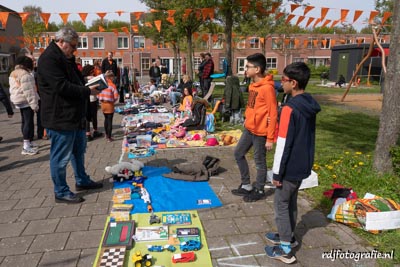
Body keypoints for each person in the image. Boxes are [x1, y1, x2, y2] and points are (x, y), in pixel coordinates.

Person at [37, 27, 103, 204]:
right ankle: (60, 191)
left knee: (78, 151)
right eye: (73, 46)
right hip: (60, 117)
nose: (75, 50)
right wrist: (86, 90)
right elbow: (61, 87)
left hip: (74, 115)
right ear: (61, 42)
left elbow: (76, 80)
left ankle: (82, 180)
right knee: (60, 157)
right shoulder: (49, 59)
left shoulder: (66, 57)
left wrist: (89, 82)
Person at [265, 62, 321, 264]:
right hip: (302, 164)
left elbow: (283, 144)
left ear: (294, 83)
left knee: (281, 204)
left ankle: (286, 249)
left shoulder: (290, 109)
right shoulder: (307, 103)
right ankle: (288, 235)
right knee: (291, 202)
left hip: (289, 167)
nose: (282, 83)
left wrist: (277, 174)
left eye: (284, 80)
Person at [231, 53, 277, 202]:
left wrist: (270, 138)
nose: (245, 70)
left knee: (259, 161)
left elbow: (273, 113)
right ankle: (246, 185)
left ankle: (259, 189)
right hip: (249, 128)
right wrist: (247, 119)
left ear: (257, 69)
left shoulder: (267, 88)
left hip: (261, 132)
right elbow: (252, 106)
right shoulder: (252, 85)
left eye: (248, 67)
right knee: (238, 153)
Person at [9, 56, 40, 155]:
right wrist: (35, 105)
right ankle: (26, 146)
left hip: (18, 100)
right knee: (28, 122)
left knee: (25, 121)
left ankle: (29, 142)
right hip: (25, 100)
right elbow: (29, 92)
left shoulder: (13, 73)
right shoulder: (25, 74)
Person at [82, 64, 102, 141]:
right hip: (92, 99)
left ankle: (88, 134)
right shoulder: (93, 78)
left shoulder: (82, 78)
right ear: (90, 71)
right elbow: (98, 88)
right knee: (94, 116)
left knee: (87, 116)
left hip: (86, 99)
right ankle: (95, 131)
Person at [98, 70, 119, 142]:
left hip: (103, 104)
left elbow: (98, 94)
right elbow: (116, 96)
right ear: (111, 77)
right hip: (110, 104)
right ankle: (109, 137)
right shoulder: (112, 85)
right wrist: (113, 101)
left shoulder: (102, 84)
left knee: (105, 119)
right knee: (110, 121)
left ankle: (106, 134)